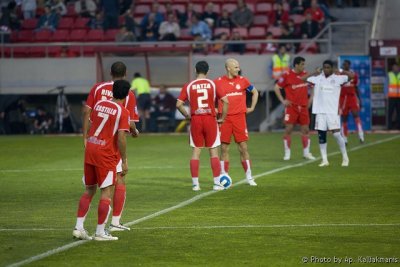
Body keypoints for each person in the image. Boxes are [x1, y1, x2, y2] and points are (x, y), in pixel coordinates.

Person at [83, 62, 139, 232]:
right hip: (112, 145)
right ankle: (114, 223)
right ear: (126, 72)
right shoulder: (127, 93)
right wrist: (135, 131)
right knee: (119, 179)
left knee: (91, 188)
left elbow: (87, 112)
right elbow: (128, 122)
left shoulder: (98, 88)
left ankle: (81, 225)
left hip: (95, 142)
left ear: (110, 72)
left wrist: (85, 137)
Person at [73, 80, 131, 241]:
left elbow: (93, 121)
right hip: (105, 154)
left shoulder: (99, 103)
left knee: (89, 190)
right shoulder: (123, 111)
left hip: (91, 148)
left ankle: (78, 228)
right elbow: (121, 138)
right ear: (126, 94)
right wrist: (124, 160)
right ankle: (100, 232)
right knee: (106, 192)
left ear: (112, 91)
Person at [176, 61, 229, 191]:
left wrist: (187, 115)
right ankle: (217, 184)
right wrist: (222, 117)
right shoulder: (213, 84)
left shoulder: (189, 85)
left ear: (195, 70)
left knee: (196, 151)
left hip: (196, 120)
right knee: (213, 151)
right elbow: (226, 101)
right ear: (208, 71)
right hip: (210, 119)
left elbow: (178, 104)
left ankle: (195, 185)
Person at [214, 58, 258, 186]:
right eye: (235, 67)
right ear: (228, 68)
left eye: (238, 67)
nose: (238, 69)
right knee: (224, 148)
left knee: (243, 147)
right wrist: (215, 109)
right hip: (225, 119)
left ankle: (249, 177)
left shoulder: (243, 81)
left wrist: (253, 107)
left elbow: (255, 92)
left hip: (239, 118)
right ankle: (224, 175)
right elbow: (210, 96)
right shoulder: (218, 82)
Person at [306, 60, 354, 167]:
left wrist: (341, 71)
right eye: (324, 67)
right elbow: (303, 79)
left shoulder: (338, 78)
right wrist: (314, 72)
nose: (326, 69)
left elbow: (352, 76)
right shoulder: (318, 78)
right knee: (321, 136)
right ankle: (324, 160)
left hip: (332, 111)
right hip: (320, 111)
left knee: (336, 134)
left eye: (328, 67)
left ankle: (345, 158)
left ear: (332, 68)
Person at [274, 56, 315, 161]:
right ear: (296, 65)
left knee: (305, 129)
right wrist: (283, 101)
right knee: (288, 129)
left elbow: (313, 86)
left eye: (304, 64)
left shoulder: (306, 75)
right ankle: (287, 154)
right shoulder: (287, 75)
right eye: (302, 64)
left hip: (304, 107)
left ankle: (306, 153)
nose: (303, 66)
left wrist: (311, 99)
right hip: (291, 107)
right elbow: (276, 87)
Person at [339, 60, 364, 143]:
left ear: (349, 65)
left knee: (356, 115)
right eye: (343, 64)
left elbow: (356, 88)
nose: (344, 66)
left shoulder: (354, 74)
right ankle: (345, 139)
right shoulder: (340, 75)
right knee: (344, 118)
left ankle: (361, 135)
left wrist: (360, 100)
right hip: (343, 99)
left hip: (352, 97)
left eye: (345, 64)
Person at [387, 63, 400, 130]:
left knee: (399, 112)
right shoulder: (389, 75)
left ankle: (398, 126)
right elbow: (386, 84)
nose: (395, 68)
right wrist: (385, 93)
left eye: (396, 67)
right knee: (390, 112)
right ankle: (389, 126)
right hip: (391, 96)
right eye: (394, 67)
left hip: (399, 97)